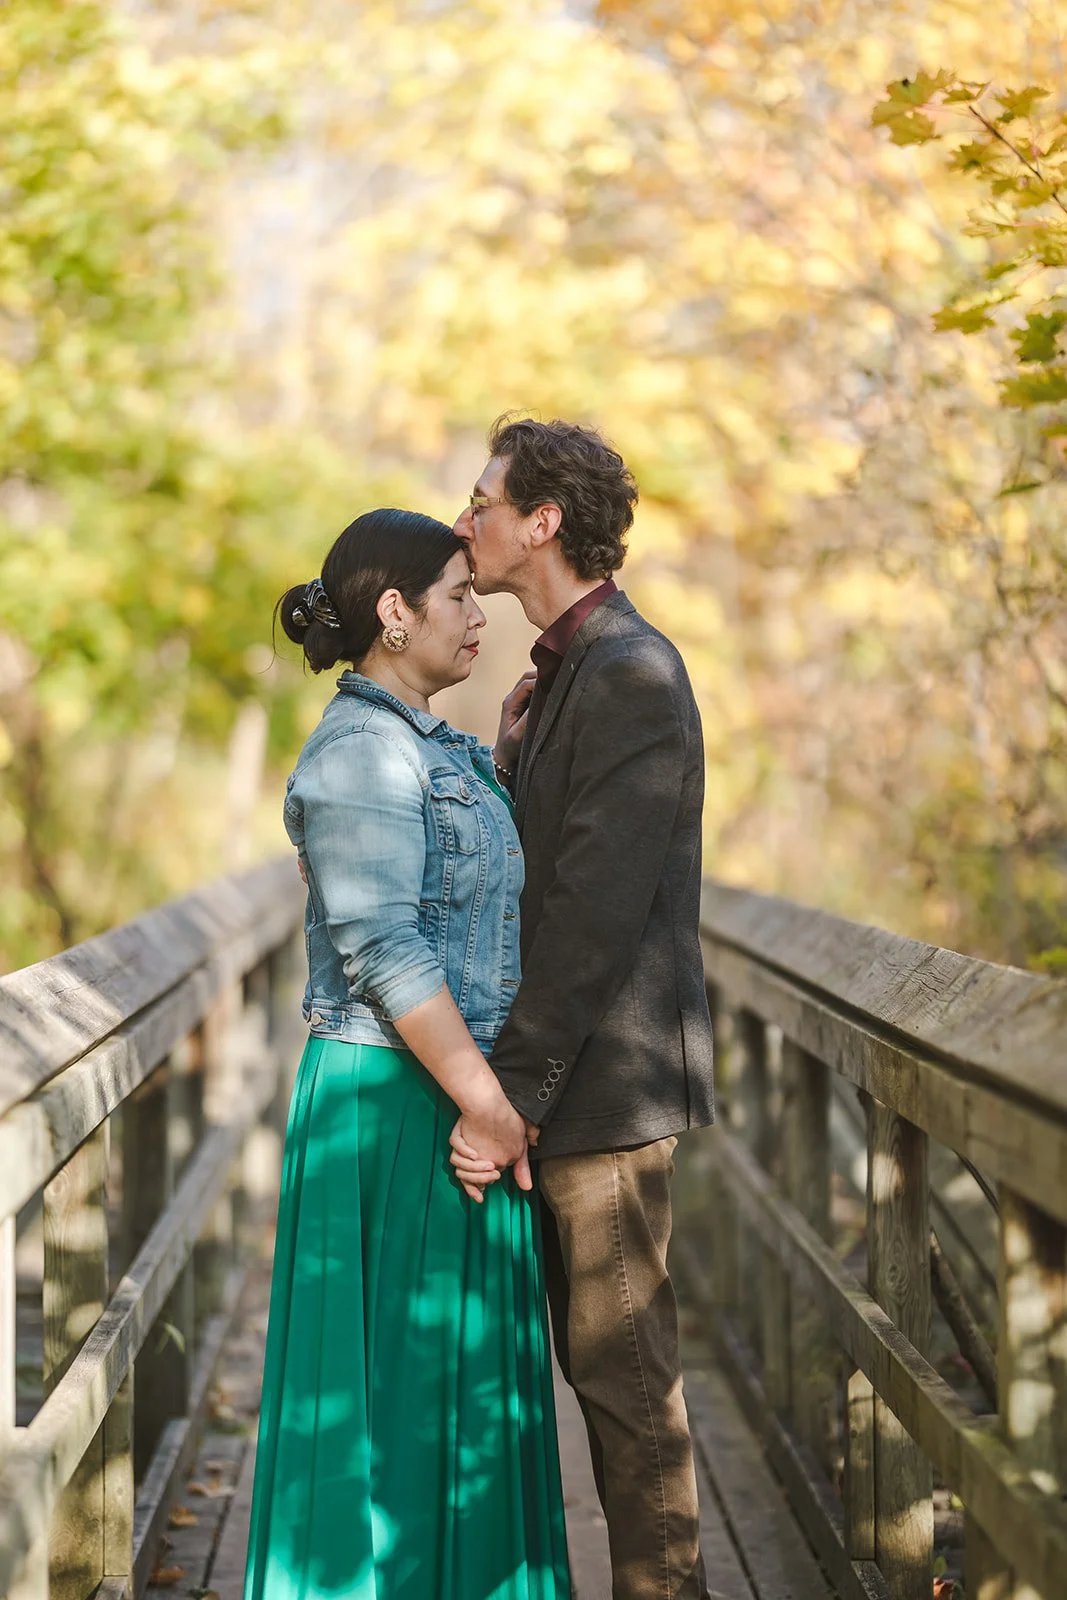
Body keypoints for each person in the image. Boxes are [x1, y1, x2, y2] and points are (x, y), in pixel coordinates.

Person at [243, 509, 571, 1600]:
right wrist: (489, 1104)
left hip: (458, 1100)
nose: (477, 615)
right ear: (395, 612)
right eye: (456, 595)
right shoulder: (356, 757)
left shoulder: (438, 746)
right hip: (392, 1101)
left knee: (462, 1391)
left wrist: (489, 1103)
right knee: (389, 1401)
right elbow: (384, 946)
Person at [449, 417, 716, 1600]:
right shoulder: (562, 669)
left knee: (626, 1398)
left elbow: (591, 915)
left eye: (480, 501)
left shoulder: (629, 672)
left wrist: (505, 1095)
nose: (466, 524)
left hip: (599, 1098)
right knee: (587, 1380)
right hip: (560, 1092)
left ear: (541, 520)